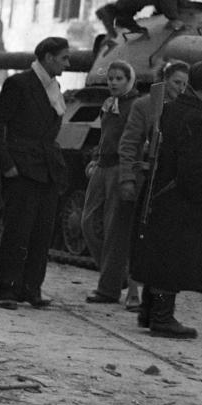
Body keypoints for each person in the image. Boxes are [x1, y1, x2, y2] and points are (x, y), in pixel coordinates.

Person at [0, 35, 72, 310]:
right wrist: (6, 164)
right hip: (21, 169)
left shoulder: (54, 87)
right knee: (17, 232)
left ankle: (31, 288)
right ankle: (7, 290)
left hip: (46, 170)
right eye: (63, 58)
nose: (67, 63)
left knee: (41, 233)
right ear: (47, 57)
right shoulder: (20, 84)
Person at [136, 60, 202, 338]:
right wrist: (200, 196)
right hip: (177, 194)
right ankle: (162, 319)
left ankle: (148, 312)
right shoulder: (196, 115)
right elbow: (191, 164)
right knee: (172, 256)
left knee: (159, 250)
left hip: (160, 189)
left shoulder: (172, 107)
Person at [117, 60, 191, 312]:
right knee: (139, 233)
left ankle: (152, 292)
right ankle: (134, 290)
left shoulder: (184, 108)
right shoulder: (145, 105)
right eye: (176, 82)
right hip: (145, 177)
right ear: (164, 80)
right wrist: (127, 178)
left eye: (185, 84)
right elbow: (128, 143)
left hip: (168, 182)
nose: (181, 88)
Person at [80, 60, 139, 305]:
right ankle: (116, 274)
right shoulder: (108, 104)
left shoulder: (135, 105)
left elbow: (132, 140)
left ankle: (108, 288)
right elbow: (105, 136)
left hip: (119, 167)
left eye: (119, 79)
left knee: (115, 230)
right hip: (103, 166)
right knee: (87, 222)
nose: (113, 82)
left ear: (129, 80)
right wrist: (95, 157)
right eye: (111, 78)